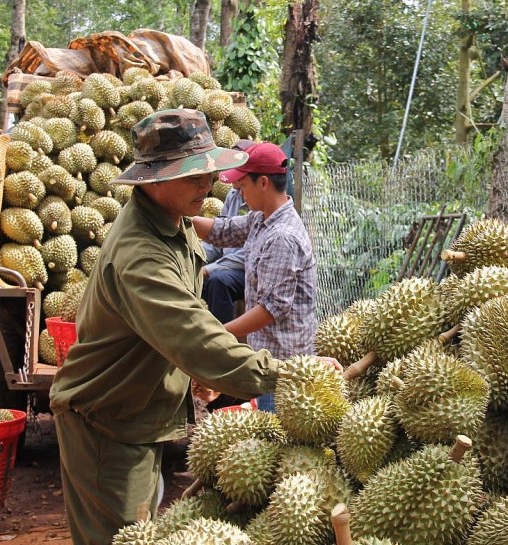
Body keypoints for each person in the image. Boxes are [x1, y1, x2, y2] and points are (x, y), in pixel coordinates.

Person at [47, 109, 329, 545]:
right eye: (193, 175)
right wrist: (295, 374)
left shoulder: (174, 225)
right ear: (154, 180)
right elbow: (193, 335)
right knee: (123, 538)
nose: (208, 184)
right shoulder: (141, 255)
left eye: (208, 173)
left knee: (144, 527)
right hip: (108, 424)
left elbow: (183, 324)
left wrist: (196, 373)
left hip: (140, 414)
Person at [192, 142, 317, 413]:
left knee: (277, 436)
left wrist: (219, 334)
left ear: (262, 183)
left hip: (285, 366)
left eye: (242, 187)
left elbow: (271, 309)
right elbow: (222, 231)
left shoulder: (283, 237)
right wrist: (179, 217)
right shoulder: (261, 219)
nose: (239, 194)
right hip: (266, 359)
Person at [199, 139, 253, 324]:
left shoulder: (258, 201)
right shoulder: (232, 195)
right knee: (200, 282)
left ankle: (223, 340)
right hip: (226, 264)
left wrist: (210, 269)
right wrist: (196, 259)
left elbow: (248, 255)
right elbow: (219, 236)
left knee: (219, 281)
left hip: (247, 269)